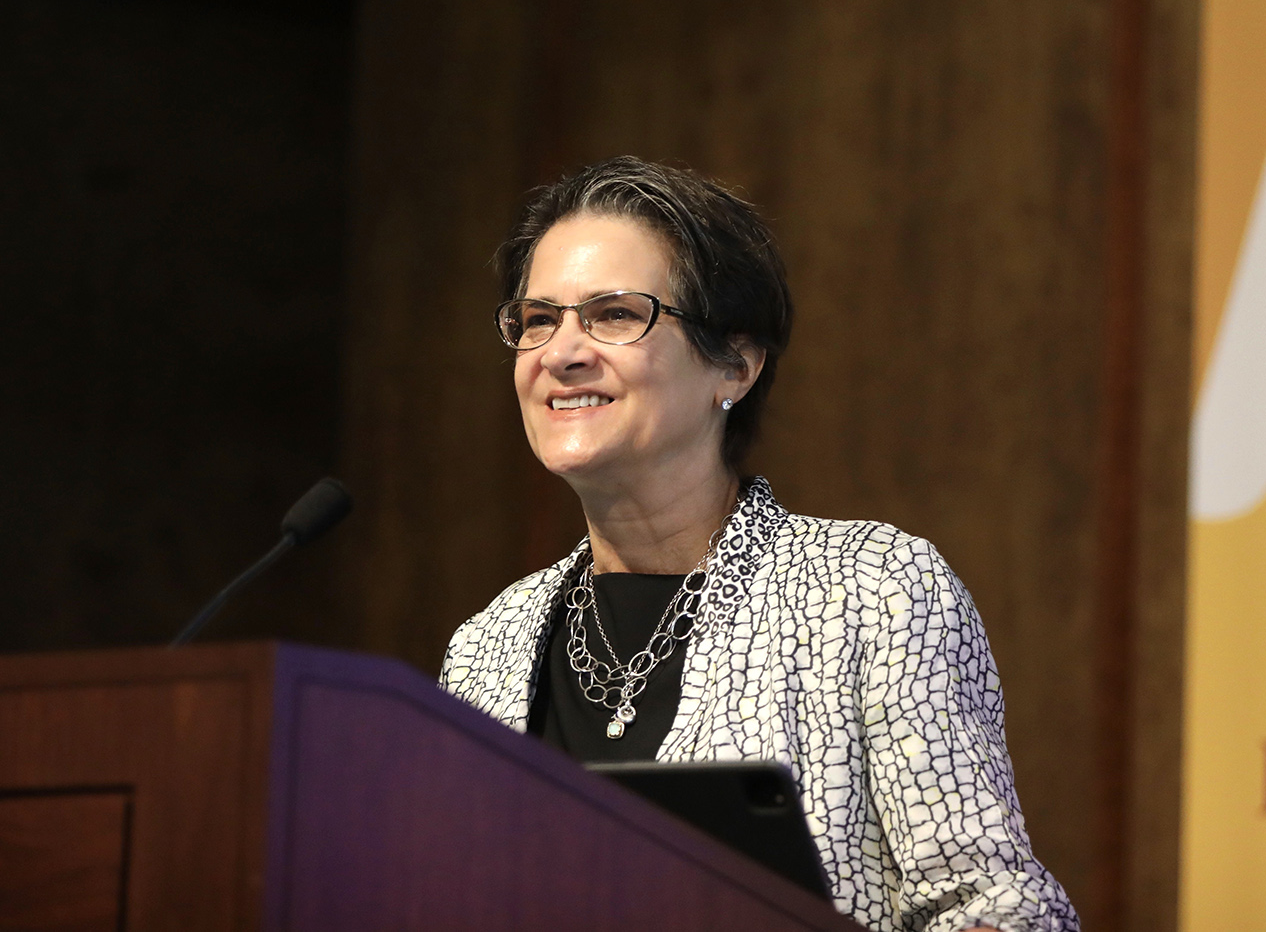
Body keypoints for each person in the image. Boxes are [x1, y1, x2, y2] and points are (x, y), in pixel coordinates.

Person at [439, 156, 1077, 932]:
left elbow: (1001, 910)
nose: (560, 351)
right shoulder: (486, 646)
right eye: (538, 319)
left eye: (611, 314)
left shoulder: (873, 591)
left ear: (735, 364)